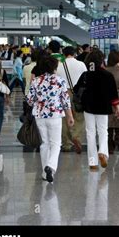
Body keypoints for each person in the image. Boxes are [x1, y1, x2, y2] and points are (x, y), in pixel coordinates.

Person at [26, 55, 74, 183]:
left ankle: (44, 172)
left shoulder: (36, 81)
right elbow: (65, 101)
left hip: (40, 116)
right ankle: (51, 167)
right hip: (55, 115)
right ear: (54, 67)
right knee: (56, 144)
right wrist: (70, 116)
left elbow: (30, 101)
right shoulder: (60, 81)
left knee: (44, 143)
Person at [74, 50, 119, 171]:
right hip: (103, 107)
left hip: (88, 107)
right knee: (103, 131)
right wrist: (117, 108)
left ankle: (92, 162)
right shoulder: (108, 75)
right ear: (101, 61)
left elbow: (76, 89)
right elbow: (113, 94)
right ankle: (102, 153)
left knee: (90, 133)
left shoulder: (85, 75)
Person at [56, 46, 87, 154]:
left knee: (65, 119)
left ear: (63, 55)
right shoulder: (81, 64)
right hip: (79, 93)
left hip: (64, 93)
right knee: (80, 117)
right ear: (74, 54)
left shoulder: (59, 66)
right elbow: (85, 78)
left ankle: (67, 144)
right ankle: (76, 136)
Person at [106, 51, 119, 154]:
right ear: (118, 61)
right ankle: (118, 140)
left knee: (108, 123)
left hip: (107, 98)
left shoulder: (105, 71)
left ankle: (110, 147)